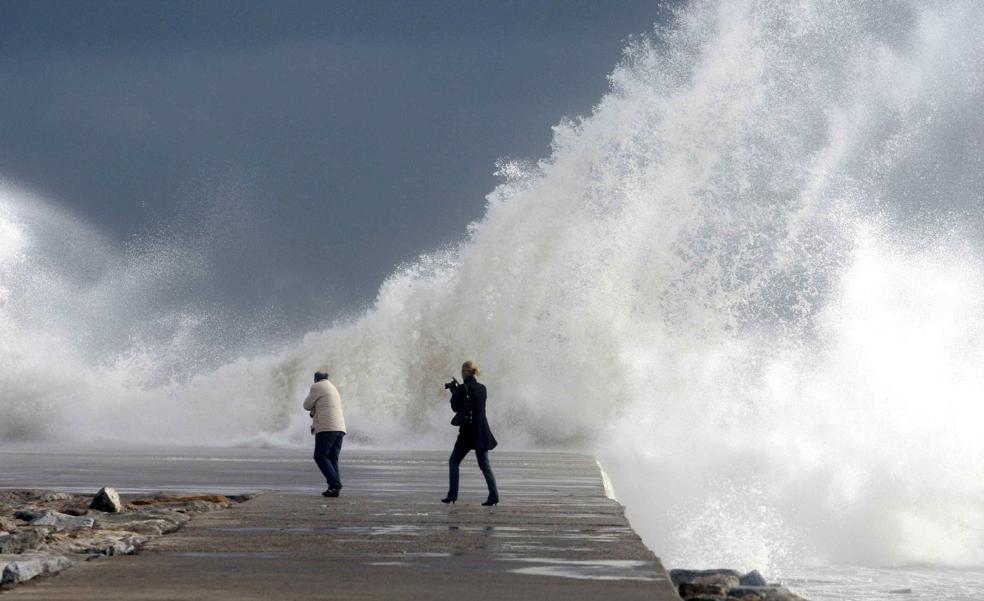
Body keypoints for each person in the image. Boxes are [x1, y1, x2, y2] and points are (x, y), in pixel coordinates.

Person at [443, 360, 499, 506]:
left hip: (467, 432)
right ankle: (494, 496)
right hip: (481, 431)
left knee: (454, 462)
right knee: (484, 465)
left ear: (464, 372)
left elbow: (456, 408)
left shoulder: (463, 388)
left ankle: (452, 495)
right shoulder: (482, 388)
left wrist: (454, 392)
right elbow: (476, 407)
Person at [303, 370, 346, 497]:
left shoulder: (317, 386)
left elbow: (306, 405)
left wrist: (313, 408)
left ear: (316, 379)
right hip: (340, 428)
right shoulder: (333, 388)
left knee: (320, 456)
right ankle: (334, 488)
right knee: (332, 458)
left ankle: (335, 484)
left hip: (327, 428)